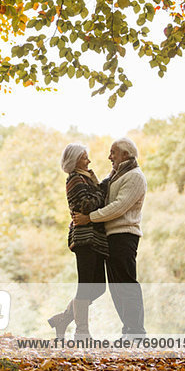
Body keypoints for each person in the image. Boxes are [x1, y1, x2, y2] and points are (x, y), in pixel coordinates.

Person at [73, 137, 147, 338]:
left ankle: (136, 332)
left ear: (125, 154)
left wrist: (89, 218)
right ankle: (128, 331)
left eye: (113, 152)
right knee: (116, 288)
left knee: (126, 283)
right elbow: (103, 192)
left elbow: (119, 206)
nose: (109, 157)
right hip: (111, 236)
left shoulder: (134, 176)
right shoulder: (117, 175)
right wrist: (91, 177)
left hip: (125, 235)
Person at [48, 143, 108, 339]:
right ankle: (82, 332)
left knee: (99, 287)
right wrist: (102, 190)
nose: (89, 161)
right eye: (85, 157)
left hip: (96, 239)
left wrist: (98, 187)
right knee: (85, 285)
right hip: (84, 240)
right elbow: (87, 205)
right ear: (75, 161)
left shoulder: (86, 178)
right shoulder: (75, 179)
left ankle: (63, 319)